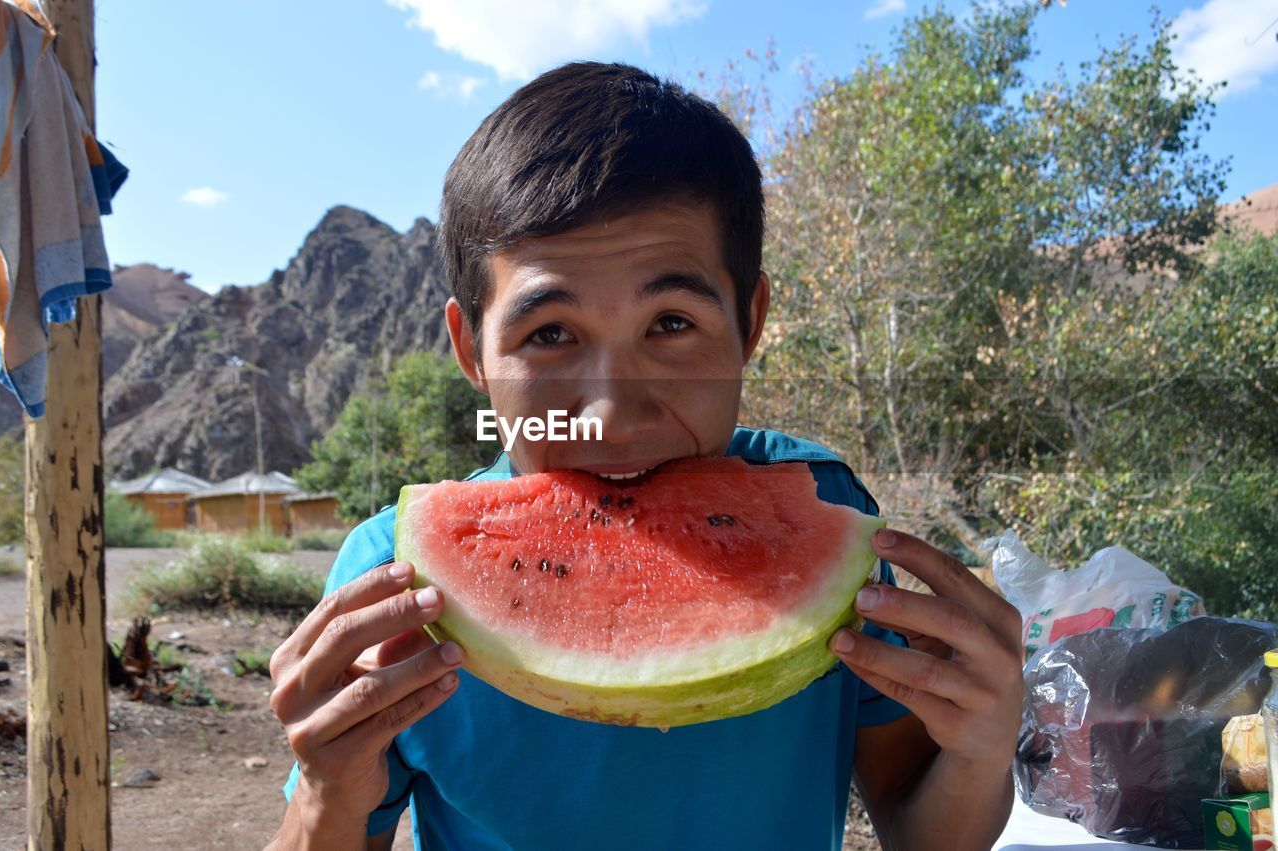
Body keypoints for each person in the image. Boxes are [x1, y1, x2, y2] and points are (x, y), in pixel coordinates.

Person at [267, 62, 1023, 851]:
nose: (613, 412)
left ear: (750, 321)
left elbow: (917, 826)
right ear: (471, 350)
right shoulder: (391, 576)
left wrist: (979, 752)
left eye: (670, 325)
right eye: (550, 334)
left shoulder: (830, 506)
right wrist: (325, 796)